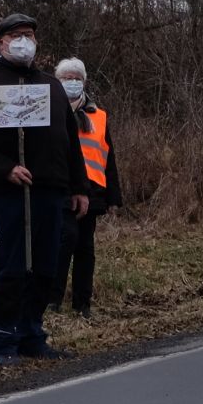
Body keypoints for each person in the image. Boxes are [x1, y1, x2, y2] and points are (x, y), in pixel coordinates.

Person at [0, 13, 90, 366]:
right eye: (15, 35)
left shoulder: (50, 85)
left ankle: (32, 334)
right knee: (10, 268)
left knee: (45, 267)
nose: (22, 41)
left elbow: (69, 141)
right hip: (7, 194)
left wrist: (79, 186)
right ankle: (3, 341)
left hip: (50, 192)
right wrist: (4, 167)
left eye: (28, 34)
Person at [50, 58, 122, 319]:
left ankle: (82, 303)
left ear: (84, 81)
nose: (72, 82)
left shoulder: (98, 116)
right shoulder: (48, 111)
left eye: (76, 78)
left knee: (84, 247)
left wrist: (114, 196)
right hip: (60, 187)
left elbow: (108, 157)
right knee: (64, 239)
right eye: (66, 78)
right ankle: (52, 298)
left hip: (92, 190)